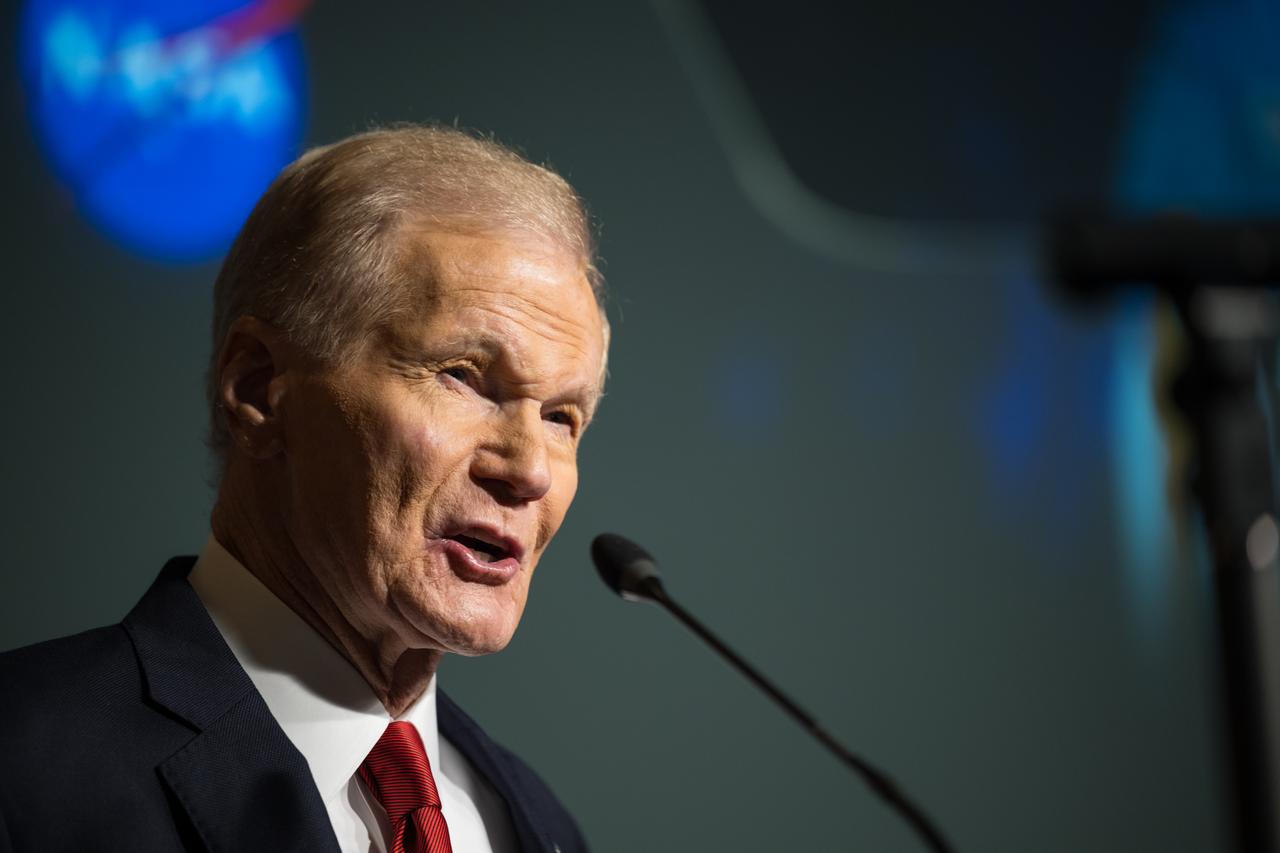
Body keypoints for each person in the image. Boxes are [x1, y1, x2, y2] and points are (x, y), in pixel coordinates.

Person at [0, 125, 608, 853]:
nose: (531, 469)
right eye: (463, 377)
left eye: (561, 417)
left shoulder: (540, 826)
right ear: (259, 388)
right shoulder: (25, 764)